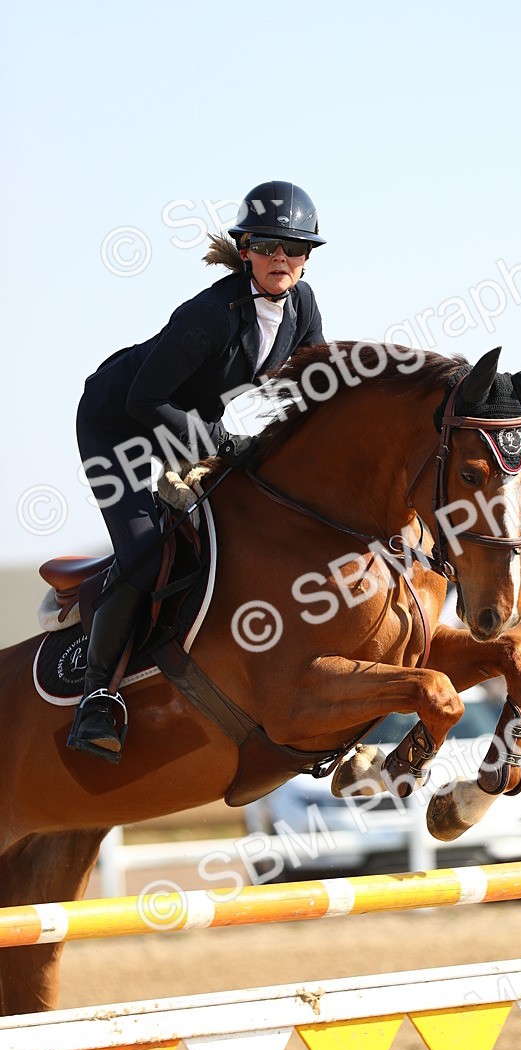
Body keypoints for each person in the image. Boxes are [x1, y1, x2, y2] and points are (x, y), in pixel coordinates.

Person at [68, 180, 327, 764]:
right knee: (144, 552)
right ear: (245, 250)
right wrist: (220, 442)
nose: (281, 257)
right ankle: (97, 697)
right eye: (267, 245)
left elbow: (313, 390)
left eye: (293, 247)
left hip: (186, 421)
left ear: (307, 256)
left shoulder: (303, 305)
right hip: (118, 423)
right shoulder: (209, 315)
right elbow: (143, 400)